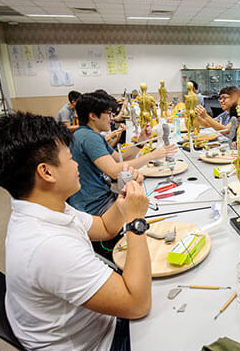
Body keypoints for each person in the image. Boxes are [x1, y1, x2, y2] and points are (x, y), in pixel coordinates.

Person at [0, 112, 152, 351]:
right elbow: (138, 305)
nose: (77, 165)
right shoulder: (48, 245)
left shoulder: (42, 206)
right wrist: (136, 222)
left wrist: (124, 202)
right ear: (46, 172)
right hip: (101, 346)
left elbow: (103, 227)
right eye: (71, 159)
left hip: (95, 324)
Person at [68, 92, 176, 255]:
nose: (112, 118)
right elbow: (113, 170)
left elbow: (119, 159)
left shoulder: (90, 135)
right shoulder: (88, 137)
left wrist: (140, 142)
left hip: (100, 198)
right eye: (108, 114)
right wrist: (153, 155)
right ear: (93, 116)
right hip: (95, 207)